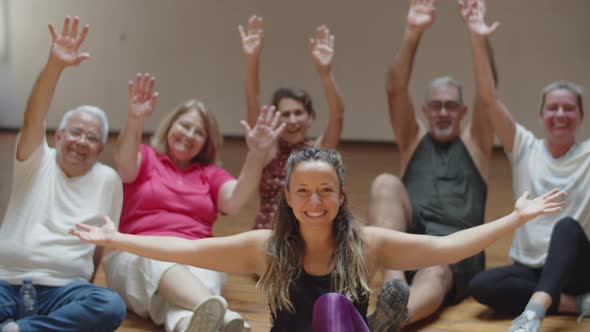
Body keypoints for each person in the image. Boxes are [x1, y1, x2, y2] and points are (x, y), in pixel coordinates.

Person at [71, 146, 565, 332]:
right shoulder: (265, 247)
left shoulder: (367, 243)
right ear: (287, 196)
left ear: (341, 194)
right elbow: (186, 250)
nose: (314, 201)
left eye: (325, 190)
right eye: (303, 191)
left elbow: (449, 248)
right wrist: (119, 238)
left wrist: (515, 219)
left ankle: (374, 326)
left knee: (332, 308)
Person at [101, 73, 285, 332]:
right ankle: (225, 314)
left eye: (199, 132)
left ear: (206, 143)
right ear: (169, 127)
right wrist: (135, 119)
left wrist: (257, 153)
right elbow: (124, 163)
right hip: (138, 252)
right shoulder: (145, 158)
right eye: (185, 125)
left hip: (196, 255)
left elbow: (234, 202)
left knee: (188, 311)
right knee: (157, 255)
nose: (189, 134)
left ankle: (201, 321)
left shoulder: (209, 174)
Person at [366, 0, 498, 329]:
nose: (442, 112)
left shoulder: (477, 145)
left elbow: (487, 92)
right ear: (425, 111)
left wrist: (477, 36)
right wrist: (413, 33)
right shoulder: (413, 141)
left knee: (437, 267)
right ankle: (393, 287)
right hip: (408, 247)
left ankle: (394, 319)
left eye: (451, 106)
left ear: (462, 112)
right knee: (384, 182)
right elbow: (394, 89)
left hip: (453, 253)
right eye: (436, 106)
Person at [462, 1, 590, 330]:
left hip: (577, 268)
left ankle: (533, 312)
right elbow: (489, 100)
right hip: (530, 267)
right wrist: (477, 38)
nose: (560, 114)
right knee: (481, 286)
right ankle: (574, 303)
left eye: (568, 108)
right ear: (541, 115)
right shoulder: (525, 147)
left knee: (565, 226)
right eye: (552, 108)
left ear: (581, 117)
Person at [0, 16, 126, 332]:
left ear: (100, 150)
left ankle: (19, 330)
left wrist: (84, 283)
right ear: (58, 137)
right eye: (75, 132)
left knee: (109, 306)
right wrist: (55, 65)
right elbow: (33, 116)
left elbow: (101, 245)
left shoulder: (108, 179)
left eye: (92, 137)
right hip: (5, 282)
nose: (81, 141)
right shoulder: (36, 159)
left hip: (63, 291)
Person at [239, 15, 345, 230]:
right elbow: (252, 101)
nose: (292, 120)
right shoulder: (267, 148)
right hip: (268, 235)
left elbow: (337, 115)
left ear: (310, 117)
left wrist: (326, 73)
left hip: (311, 234)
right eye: (285, 114)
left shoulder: (318, 151)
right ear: (276, 117)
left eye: (298, 113)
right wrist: (252, 59)